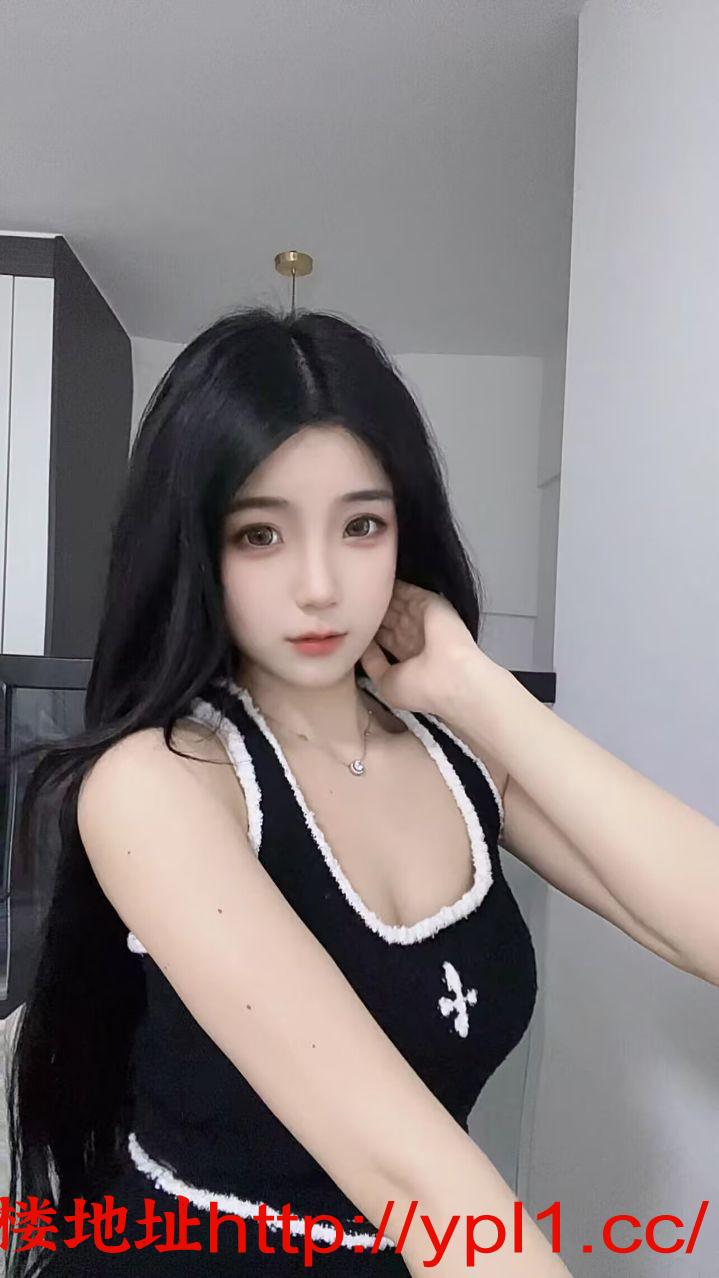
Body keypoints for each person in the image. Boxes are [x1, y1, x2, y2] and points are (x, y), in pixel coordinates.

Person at [4, 305, 573, 1276]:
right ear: (194, 547)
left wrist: (479, 688)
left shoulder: (454, 754)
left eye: (360, 525)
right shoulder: (159, 784)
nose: (318, 585)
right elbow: (411, 1177)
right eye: (260, 534)